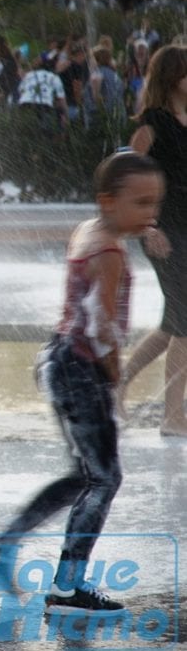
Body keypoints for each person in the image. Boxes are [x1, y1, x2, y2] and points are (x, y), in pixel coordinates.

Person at [0, 150, 163, 614]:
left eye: (154, 203)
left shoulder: (91, 231)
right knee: (104, 478)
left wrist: (145, 234)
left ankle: (2, 547)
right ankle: (67, 586)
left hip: (59, 359)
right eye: (141, 203)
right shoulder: (110, 253)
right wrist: (115, 382)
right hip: (82, 369)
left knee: (84, 475)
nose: (151, 212)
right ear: (107, 201)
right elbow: (102, 327)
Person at [117, 44, 187, 436]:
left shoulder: (184, 121)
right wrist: (146, 228)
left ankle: (119, 384)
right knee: (186, 326)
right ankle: (172, 418)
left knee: (174, 324)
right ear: (173, 79)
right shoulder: (151, 124)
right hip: (164, 235)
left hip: (186, 232)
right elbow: (124, 177)